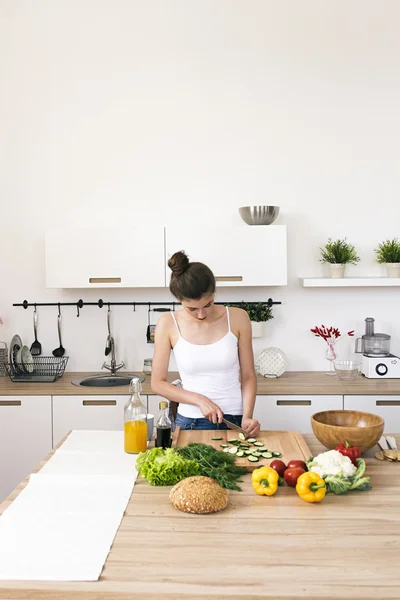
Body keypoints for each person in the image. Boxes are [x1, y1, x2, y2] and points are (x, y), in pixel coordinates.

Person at [151, 250, 260, 437]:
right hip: (190, 422)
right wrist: (199, 400)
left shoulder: (238, 318)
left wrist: (248, 417)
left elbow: (249, 376)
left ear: (214, 293)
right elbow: (157, 383)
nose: (201, 314)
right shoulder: (167, 323)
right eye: (192, 309)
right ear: (180, 300)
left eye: (208, 305)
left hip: (235, 419)